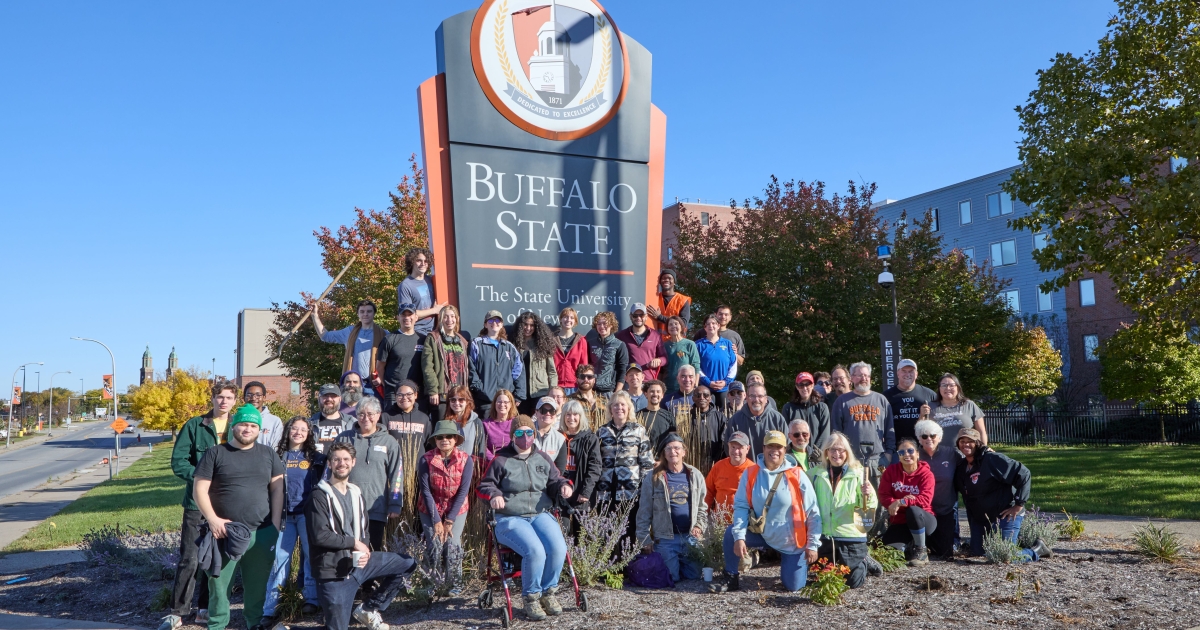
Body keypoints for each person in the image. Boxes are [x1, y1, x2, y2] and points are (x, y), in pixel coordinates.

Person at [193, 405, 284, 630]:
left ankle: (254, 624)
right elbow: (199, 490)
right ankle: (217, 626)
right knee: (218, 588)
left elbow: (277, 489)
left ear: (259, 429)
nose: (248, 429)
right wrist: (212, 520)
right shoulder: (216, 453)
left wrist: (274, 525)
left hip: (261, 532)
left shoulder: (268, 454)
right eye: (243, 424)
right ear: (234, 425)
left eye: (253, 425)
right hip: (224, 533)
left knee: (257, 588)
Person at [307, 442, 416, 630]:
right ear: (330, 464)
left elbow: (364, 530)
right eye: (336, 460)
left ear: (353, 462)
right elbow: (320, 536)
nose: (342, 463)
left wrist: (363, 550)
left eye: (346, 459)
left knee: (407, 564)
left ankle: (369, 609)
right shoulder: (318, 496)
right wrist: (354, 543)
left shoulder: (356, 493)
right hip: (333, 573)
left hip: (357, 565)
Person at [477, 416, 575, 621]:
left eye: (529, 432)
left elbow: (556, 479)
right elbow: (484, 486)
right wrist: (494, 495)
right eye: (519, 433)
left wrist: (564, 486)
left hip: (540, 514)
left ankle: (548, 593)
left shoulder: (542, 458)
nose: (525, 437)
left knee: (558, 548)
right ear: (512, 436)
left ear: (534, 434)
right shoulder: (501, 460)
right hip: (509, 518)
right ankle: (531, 597)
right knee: (535, 551)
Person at [162, 380, 235, 630]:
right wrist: (202, 478)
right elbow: (179, 461)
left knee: (215, 558)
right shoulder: (195, 425)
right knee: (190, 558)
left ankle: (205, 608)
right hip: (196, 503)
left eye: (228, 397)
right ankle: (178, 611)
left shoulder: (239, 426)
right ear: (212, 399)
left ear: (234, 401)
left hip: (225, 503)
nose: (223, 401)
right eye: (220, 397)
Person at [712, 430, 822, 593]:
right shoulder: (751, 473)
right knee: (730, 533)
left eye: (779, 447)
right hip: (762, 533)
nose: (774, 450)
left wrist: (812, 545)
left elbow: (813, 512)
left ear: (785, 450)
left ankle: (795, 568)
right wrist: (739, 537)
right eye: (770, 446)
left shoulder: (797, 474)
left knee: (793, 587)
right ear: (763, 448)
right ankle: (731, 577)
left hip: (791, 541)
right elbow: (741, 506)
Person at [263, 417, 325, 623]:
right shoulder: (277, 456)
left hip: (307, 515)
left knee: (310, 557)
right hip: (284, 516)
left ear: (309, 434)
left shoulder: (317, 459)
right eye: (295, 428)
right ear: (288, 431)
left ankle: (311, 599)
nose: (298, 432)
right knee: (279, 560)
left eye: (303, 429)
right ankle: (271, 606)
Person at [954, 428, 1049, 561]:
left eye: (970, 441)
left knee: (1004, 557)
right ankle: (1014, 541)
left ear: (978, 443)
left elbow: (1023, 473)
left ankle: (1037, 550)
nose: (966, 444)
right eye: (962, 441)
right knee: (977, 552)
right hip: (982, 519)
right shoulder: (961, 467)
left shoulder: (992, 459)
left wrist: (1018, 505)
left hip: (1006, 514)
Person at [807, 432, 879, 589]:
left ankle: (864, 560)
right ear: (826, 452)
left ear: (847, 452)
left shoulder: (859, 474)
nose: (836, 454)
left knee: (852, 582)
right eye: (832, 449)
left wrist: (868, 495)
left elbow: (870, 506)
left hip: (850, 535)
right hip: (824, 535)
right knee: (823, 579)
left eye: (841, 450)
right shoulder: (814, 474)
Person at [636, 434, 707, 582]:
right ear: (664, 453)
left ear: (684, 452)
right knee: (671, 578)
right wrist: (644, 538)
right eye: (668, 448)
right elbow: (644, 510)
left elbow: (702, 506)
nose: (672, 452)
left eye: (676, 448)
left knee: (694, 576)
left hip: (689, 536)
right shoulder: (654, 477)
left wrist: (699, 526)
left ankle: (679, 562)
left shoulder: (695, 475)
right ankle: (672, 563)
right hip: (666, 538)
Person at [335, 397, 403, 552]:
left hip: (375, 509)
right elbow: (330, 469)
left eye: (370, 414)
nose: (366, 418)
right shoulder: (344, 438)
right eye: (361, 414)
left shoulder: (389, 442)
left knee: (370, 552)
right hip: (345, 507)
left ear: (378, 415)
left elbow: (397, 474)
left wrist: (395, 502)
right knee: (345, 553)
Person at [417, 421, 474, 594]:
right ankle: (430, 583)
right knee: (434, 542)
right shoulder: (426, 459)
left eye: (449, 436)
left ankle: (454, 583)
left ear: (455, 439)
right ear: (435, 440)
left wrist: (449, 520)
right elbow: (426, 491)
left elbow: (463, 491)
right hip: (430, 505)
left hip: (456, 506)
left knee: (452, 543)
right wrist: (436, 520)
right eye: (440, 437)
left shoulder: (466, 459)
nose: (445, 440)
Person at [596, 391, 654, 548]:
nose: (619, 408)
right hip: (606, 490)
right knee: (606, 531)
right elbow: (595, 461)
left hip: (630, 490)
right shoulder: (601, 431)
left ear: (629, 408)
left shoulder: (638, 430)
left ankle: (628, 562)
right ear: (610, 409)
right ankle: (608, 562)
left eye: (622, 405)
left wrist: (644, 489)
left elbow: (647, 463)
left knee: (629, 531)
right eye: (615, 405)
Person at [829, 362, 896, 482]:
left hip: (878, 461)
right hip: (851, 460)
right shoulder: (842, 401)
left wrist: (889, 455)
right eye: (860, 375)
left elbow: (889, 430)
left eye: (866, 375)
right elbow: (836, 433)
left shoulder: (881, 400)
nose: (864, 378)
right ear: (852, 378)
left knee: (879, 493)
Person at [877, 437, 937, 566]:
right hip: (900, 522)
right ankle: (909, 547)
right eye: (901, 452)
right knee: (890, 551)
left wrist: (901, 502)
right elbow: (883, 495)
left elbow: (925, 500)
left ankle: (921, 551)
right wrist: (895, 502)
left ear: (917, 454)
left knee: (913, 510)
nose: (906, 455)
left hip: (923, 520)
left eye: (910, 451)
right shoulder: (891, 472)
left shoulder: (926, 474)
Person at [915, 419, 961, 559]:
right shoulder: (914, 456)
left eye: (933, 435)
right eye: (924, 436)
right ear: (919, 439)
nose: (929, 439)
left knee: (944, 553)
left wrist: (986, 451)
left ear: (939, 438)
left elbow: (971, 462)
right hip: (923, 510)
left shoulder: (951, 453)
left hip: (946, 509)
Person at [313, 300, 388, 387]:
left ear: (374, 313)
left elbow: (392, 360)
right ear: (358, 314)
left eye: (369, 311)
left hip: (375, 385)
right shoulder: (350, 332)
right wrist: (314, 315)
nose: (365, 314)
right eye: (362, 311)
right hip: (353, 384)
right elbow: (325, 336)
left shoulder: (384, 334)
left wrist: (382, 377)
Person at [469, 310, 526, 415]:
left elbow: (519, 372)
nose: (494, 323)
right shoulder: (476, 344)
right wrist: (480, 390)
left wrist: (519, 395)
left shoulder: (510, 347)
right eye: (490, 320)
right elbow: (471, 369)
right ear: (485, 324)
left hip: (505, 402)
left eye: (497, 320)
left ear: (502, 324)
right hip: (485, 401)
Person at [422, 304, 471, 423]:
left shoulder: (462, 341)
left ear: (457, 319)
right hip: (441, 395)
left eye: (452, 316)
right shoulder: (433, 338)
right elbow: (427, 366)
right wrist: (433, 390)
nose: (449, 320)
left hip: (459, 395)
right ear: (441, 319)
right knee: (442, 427)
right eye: (446, 316)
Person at [723, 383, 788, 460]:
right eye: (752, 396)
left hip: (771, 467)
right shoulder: (735, 420)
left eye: (760, 396)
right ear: (747, 397)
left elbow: (786, 446)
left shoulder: (777, 419)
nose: (756, 400)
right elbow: (728, 447)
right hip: (745, 467)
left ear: (766, 398)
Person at [378, 303, 425, 404]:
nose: (407, 318)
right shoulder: (389, 339)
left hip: (417, 394)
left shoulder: (423, 340)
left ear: (416, 317)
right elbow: (380, 367)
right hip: (394, 394)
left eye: (410, 314)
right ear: (398, 317)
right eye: (403, 315)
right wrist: (388, 386)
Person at [560, 400, 602, 510]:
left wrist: (585, 492)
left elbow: (595, 468)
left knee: (580, 522)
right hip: (561, 491)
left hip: (581, 493)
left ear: (581, 417)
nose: (571, 418)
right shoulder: (558, 437)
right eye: (568, 414)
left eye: (575, 414)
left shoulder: (590, 438)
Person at [514, 312, 559, 416]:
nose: (528, 328)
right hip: (520, 394)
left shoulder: (542, 345)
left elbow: (552, 372)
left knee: (541, 421)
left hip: (540, 392)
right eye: (525, 324)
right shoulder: (514, 344)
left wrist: (552, 392)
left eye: (532, 325)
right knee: (523, 422)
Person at [883, 359, 938, 443]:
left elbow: (939, 420)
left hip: (923, 446)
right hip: (896, 446)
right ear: (898, 373)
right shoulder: (886, 396)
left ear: (916, 374)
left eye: (911, 371)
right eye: (904, 371)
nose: (907, 374)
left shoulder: (929, 394)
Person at [398, 247, 447, 336]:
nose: (423, 264)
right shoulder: (405, 285)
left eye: (426, 261)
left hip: (436, 332)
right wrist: (434, 310)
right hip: (417, 332)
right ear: (412, 262)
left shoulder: (431, 280)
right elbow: (408, 314)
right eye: (419, 261)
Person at [381, 380, 431, 461]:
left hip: (417, 466)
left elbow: (428, 445)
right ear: (395, 396)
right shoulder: (386, 416)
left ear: (415, 395)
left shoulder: (424, 418)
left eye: (409, 394)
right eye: (400, 395)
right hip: (393, 465)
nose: (404, 398)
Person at [696, 314, 738, 410]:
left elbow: (733, 365)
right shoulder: (698, 345)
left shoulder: (728, 344)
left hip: (724, 388)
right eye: (708, 324)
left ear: (718, 326)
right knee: (707, 415)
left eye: (713, 323)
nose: (711, 326)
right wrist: (708, 382)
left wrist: (726, 382)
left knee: (725, 414)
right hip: (705, 388)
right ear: (705, 327)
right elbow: (696, 366)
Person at [932, 373, 988, 445]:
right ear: (939, 388)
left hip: (966, 450)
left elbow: (981, 432)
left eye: (952, 385)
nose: (948, 388)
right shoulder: (930, 407)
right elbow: (922, 431)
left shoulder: (969, 405)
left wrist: (983, 449)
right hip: (939, 451)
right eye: (944, 385)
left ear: (958, 387)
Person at [617, 303, 668, 381]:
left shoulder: (655, 335)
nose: (638, 318)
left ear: (646, 316)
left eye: (641, 315)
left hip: (649, 382)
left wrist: (659, 360)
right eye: (635, 315)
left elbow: (665, 358)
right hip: (630, 382)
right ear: (630, 316)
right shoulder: (621, 335)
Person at [781, 372, 830, 451]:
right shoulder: (788, 408)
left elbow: (825, 434)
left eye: (807, 384)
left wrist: (815, 452)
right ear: (797, 387)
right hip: (795, 454)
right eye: (801, 385)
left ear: (812, 385)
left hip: (817, 454)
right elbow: (786, 433)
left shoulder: (822, 408)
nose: (804, 388)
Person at [705, 431, 754, 511]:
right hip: (719, 517)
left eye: (740, 448)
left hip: (743, 517)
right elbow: (708, 492)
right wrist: (704, 514)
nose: (736, 451)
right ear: (728, 446)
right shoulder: (719, 466)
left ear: (747, 449)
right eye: (733, 447)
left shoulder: (753, 470)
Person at [585, 311, 629, 396]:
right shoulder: (590, 343)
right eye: (599, 324)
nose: (602, 326)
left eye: (605, 323)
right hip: (591, 391)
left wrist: (617, 392)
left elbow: (623, 370)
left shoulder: (619, 344)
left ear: (611, 325)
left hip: (609, 392)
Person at [553, 307, 589, 396]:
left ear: (575, 322)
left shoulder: (581, 340)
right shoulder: (551, 340)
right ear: (560, 319)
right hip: (555, 386)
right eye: (565, 317)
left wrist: (582, 386)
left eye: (572, 318)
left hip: (575, 387)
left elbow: (584, 366)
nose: (568, 320)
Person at [636, 379, 677, 456]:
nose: (655, 394)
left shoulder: (669, 416)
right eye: (652, 391)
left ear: (662, 395)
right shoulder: (637, 416)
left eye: (658, 392)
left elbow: (672, 440)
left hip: (663, 459)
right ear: (646, 394)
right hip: (643, 458)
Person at [690, 384, 728, 466]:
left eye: (706, 395)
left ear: (710, 398)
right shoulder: (687, 418)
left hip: (715, 464)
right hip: (693, 463)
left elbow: (723, 442)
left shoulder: (720, 417)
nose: (702, 398)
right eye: (698, 395)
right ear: (693, 398)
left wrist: (716, 460)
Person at [310, 384, 354, 454]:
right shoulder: (309, 424)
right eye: (325, 395)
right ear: (319, 399)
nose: (329, 399)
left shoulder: (352, 423)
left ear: (340, 399)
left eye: (333, 396)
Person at [445, 384, 486, 458]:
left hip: (470, 463)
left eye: (461, 400)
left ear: (467, 401)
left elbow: (480, 449)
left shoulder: (476, 422)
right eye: (453, 400)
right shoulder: (444, 422)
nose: (457, 403)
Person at [662, 316, 700, 392]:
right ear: (667, 328)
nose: (673, 326)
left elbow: (696, 366)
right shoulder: (664, 346)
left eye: (676, 324)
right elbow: (661, 370)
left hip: (686, 386)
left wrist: (695, 385)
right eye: (670, 324)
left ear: (681, 326)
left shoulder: (690, 344)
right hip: (668, 387)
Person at [242, 381, 283, 451]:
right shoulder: (236, 419)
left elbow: (276, 447)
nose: (253, 398)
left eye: (258, 395)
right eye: (249, 395)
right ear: (244, 397)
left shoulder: (274, 421)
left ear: (264, 397)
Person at [532, 397, 567, 471]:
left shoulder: (560, 439)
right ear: (536, 412)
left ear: (555, 414)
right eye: (543, 410)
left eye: (551, 411)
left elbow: (559, 470)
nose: (548, 413)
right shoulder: (525, 432)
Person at [482, 389, 518, 462]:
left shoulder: (516, 423)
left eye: (505, 402)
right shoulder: (485, 424)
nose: (502, 405)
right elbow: (482, 446)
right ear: (494, 404)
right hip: (492, 462)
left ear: (511, 404)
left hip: (512, 461)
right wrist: (494, 460)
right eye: (499, 402)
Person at [569, 364, 609, 428]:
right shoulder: (569, 401)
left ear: (594, 380)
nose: (586, 380)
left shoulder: (604, 401)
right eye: (582, 377)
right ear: (577, 380)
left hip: (601, 434)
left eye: (589, 377)